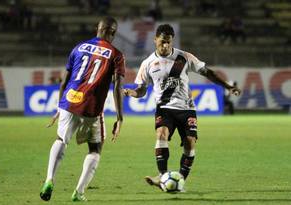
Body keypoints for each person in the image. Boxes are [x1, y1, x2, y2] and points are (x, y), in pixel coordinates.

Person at [123, 24, 241, 190]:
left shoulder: (184, 57)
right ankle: (162, 176)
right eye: (162, 42)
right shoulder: (148, 63)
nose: (165, 45)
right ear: (155, 39)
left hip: (186, 108)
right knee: (161, 134)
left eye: (169, 42)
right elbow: (141, 91)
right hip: (164, 108)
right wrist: (132, 93)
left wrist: (228, 87)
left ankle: (180, 179)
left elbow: (208, 73)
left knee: (190, 143)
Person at [39, 16, 125, 202]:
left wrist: (59, 106)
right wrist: (120, 118)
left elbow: (64, 81)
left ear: (97, 29)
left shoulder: (79, 47)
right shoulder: (116, 54)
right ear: (113, 33)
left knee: (61, 139)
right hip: (91, 108)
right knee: (95, 149)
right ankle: (78, 192)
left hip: (69, 102)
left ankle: (48, 180)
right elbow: (117, 86)